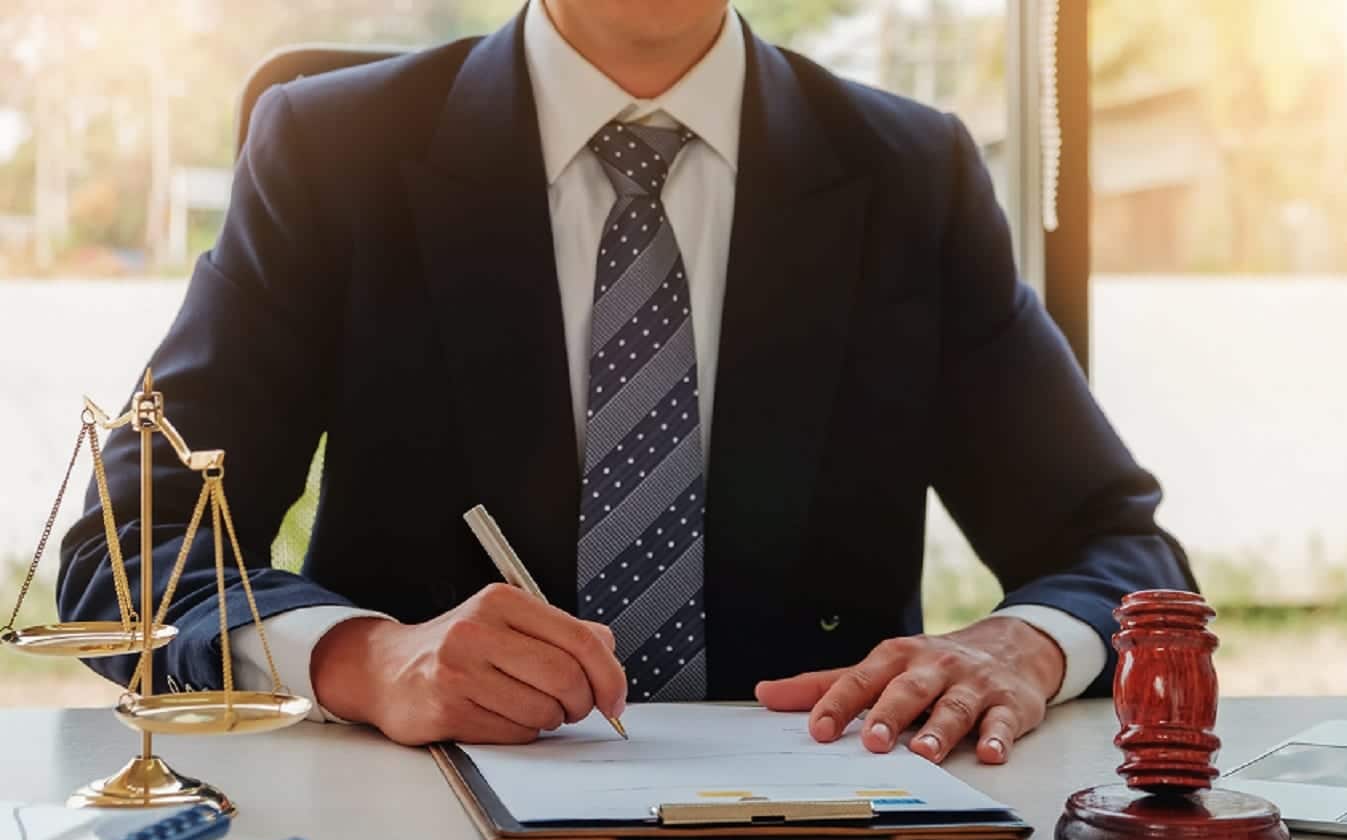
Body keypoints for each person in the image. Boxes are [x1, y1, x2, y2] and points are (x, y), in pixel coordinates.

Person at [58, 0, 1194, 765]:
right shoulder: (329, 149)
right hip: (426, 824)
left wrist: (1021, 647)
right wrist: (369, 659)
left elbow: (1120, 557)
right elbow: (122, 556)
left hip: (825, 819)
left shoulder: (912, 173)